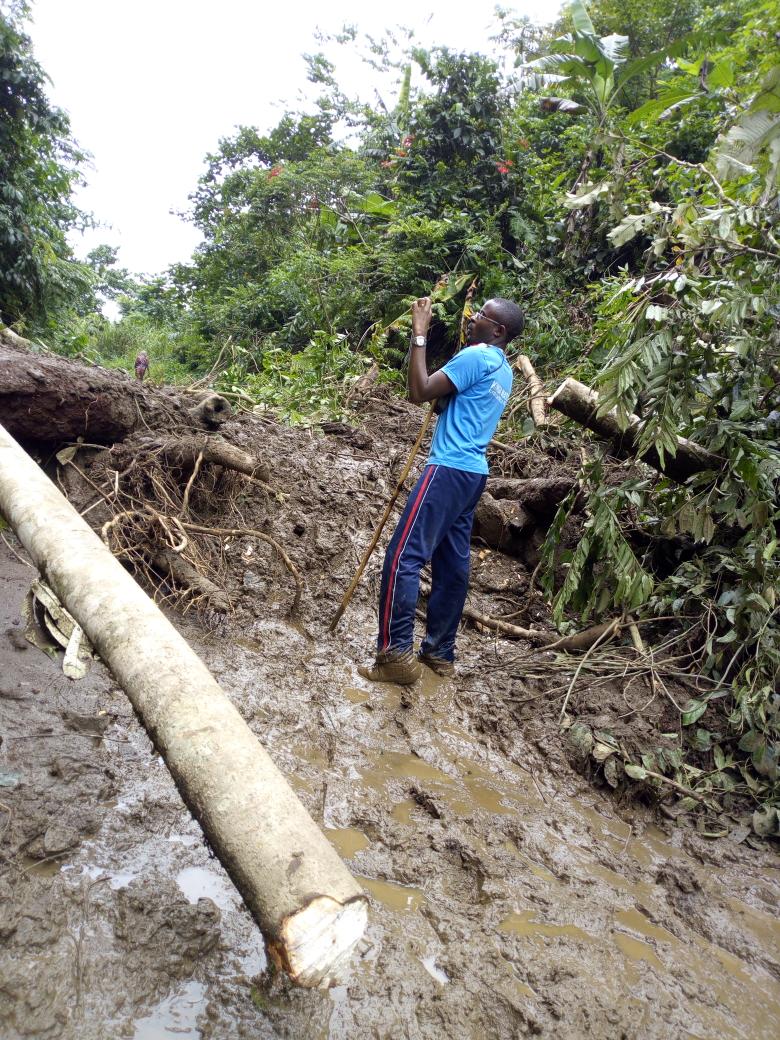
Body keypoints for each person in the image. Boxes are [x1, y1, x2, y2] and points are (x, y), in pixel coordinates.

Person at [358, 295, 524, 685]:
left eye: (482, 315)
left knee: (403, 557)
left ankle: (395, 653)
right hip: (473, 475)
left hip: (448, 469)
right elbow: (443, 402)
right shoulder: (503, 371)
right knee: (452, 565)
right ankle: (439, 653)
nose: (473, 318)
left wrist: (419, 334)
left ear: (498, 330)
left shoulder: (475, 357)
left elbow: (419, 391)